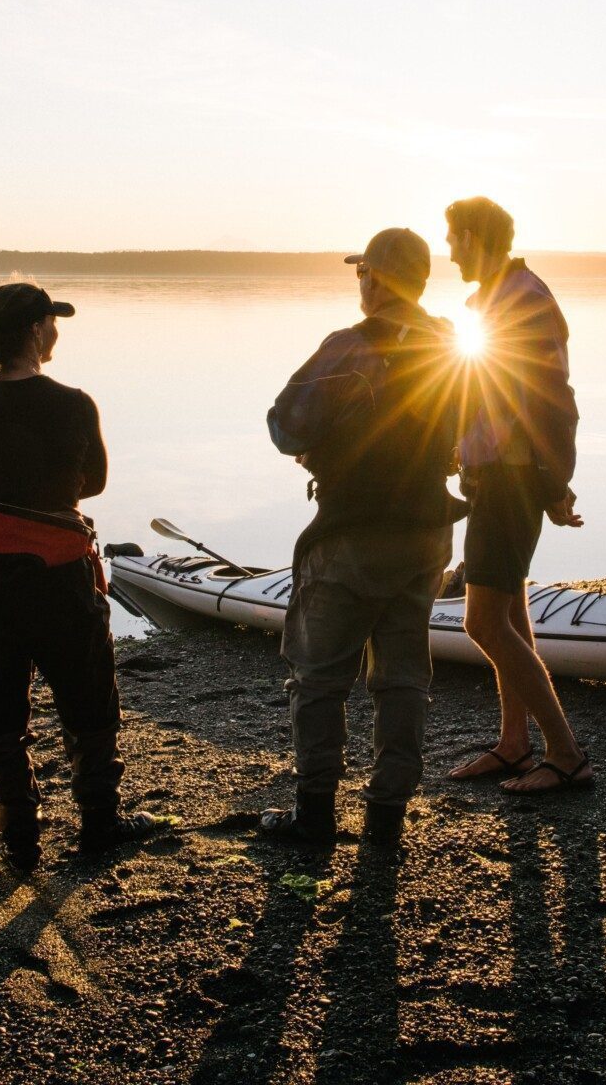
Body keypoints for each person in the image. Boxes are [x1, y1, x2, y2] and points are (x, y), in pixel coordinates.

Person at [0, 282, 169, 872]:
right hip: (59, 578)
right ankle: (99, 826)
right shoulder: (72, 403)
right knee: (88, 705)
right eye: (54, 322)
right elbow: (91, 485)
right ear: (38, 330)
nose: (58, 332)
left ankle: (19, 833)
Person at [259, 228, 467, 850]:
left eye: (362, 273)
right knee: (403, 679)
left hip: (351, 533)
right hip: (428, 535)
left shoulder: (349, 347)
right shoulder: (453, 346)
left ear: (376, 278)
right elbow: (467, 434)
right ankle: (386, 818)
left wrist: (329, 445)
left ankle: (315, 815)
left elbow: (284, 428)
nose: (360, 283)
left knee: (320, 679)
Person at [441, 196, 593, 794]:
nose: (449, 251)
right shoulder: (497, 299)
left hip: (513, 476)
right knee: (509, 617)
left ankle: (566, 753)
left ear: (475, 236)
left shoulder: (522, 300)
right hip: (496, 476)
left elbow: (552, 399)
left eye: (453, 238)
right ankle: (514, 743)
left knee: (482, 623)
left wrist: (553, 483)